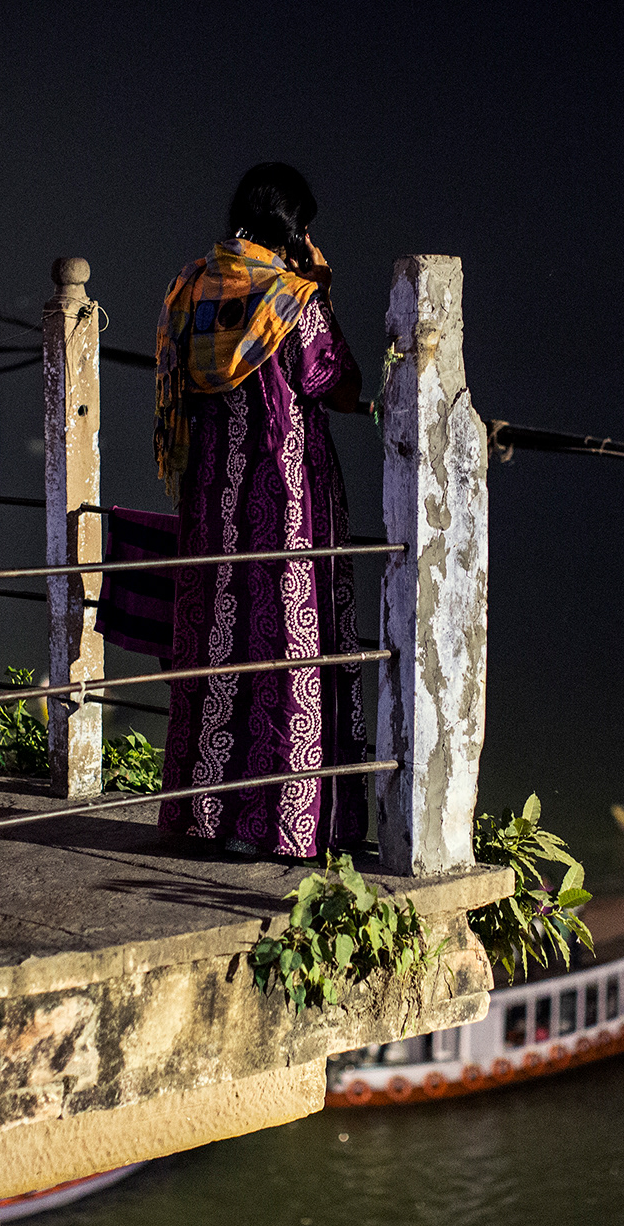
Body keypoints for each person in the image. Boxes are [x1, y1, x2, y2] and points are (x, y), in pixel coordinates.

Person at [154, 163, 370, 859]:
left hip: (213, 495)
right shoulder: (291, 298)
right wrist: (321, 287)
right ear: (294, 229)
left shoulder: (193, 286)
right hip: (286, 498)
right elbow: (333, 381)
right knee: (288, 646)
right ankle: (283, 825)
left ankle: (207, 815)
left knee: (220, 642)